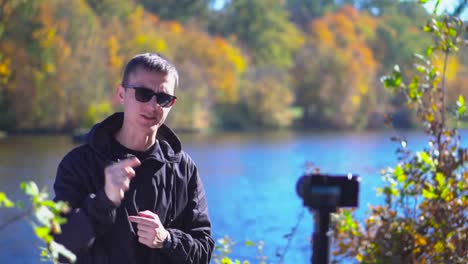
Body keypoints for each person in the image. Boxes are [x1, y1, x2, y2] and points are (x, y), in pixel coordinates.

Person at [53, 53, 214, 264]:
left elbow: (204, 251)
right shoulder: (79, 163)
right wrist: (105, 201)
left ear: (172, 104)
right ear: (121, 94)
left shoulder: (183, 168)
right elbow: (59, 246)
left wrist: (166, 239)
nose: (153, 106)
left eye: (163, 98)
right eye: (143, 94)